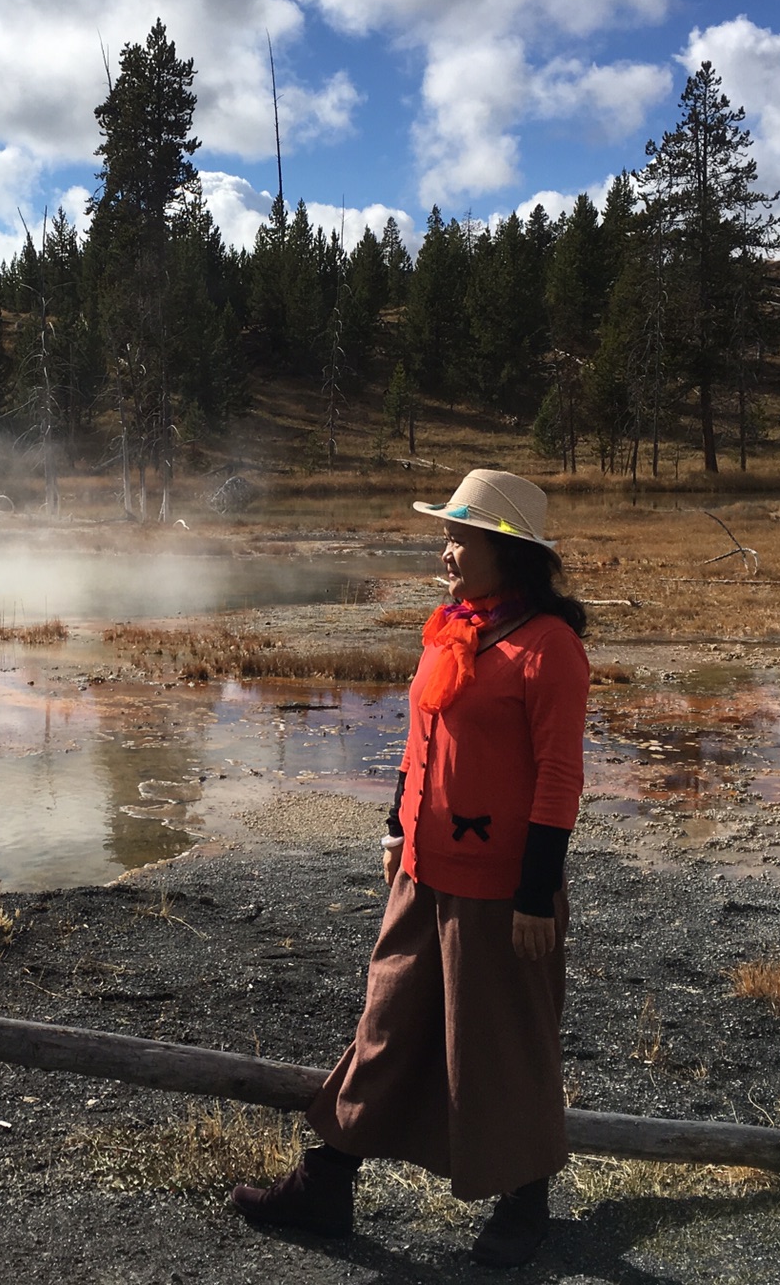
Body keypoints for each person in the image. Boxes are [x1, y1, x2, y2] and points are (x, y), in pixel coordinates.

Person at [230, 469, 589, 1270]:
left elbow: (560, 778)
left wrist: (536, 893)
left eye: (461, 538)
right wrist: (397, 822)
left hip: (503, 887)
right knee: (386, 1025)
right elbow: (420, 736)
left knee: (500, 1042)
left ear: (507, 551)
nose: (447, 550)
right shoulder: (450, 629)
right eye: (449, 535)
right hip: (423, 871)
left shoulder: (549, 648)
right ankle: (328, 1181)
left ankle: (524, 1197)